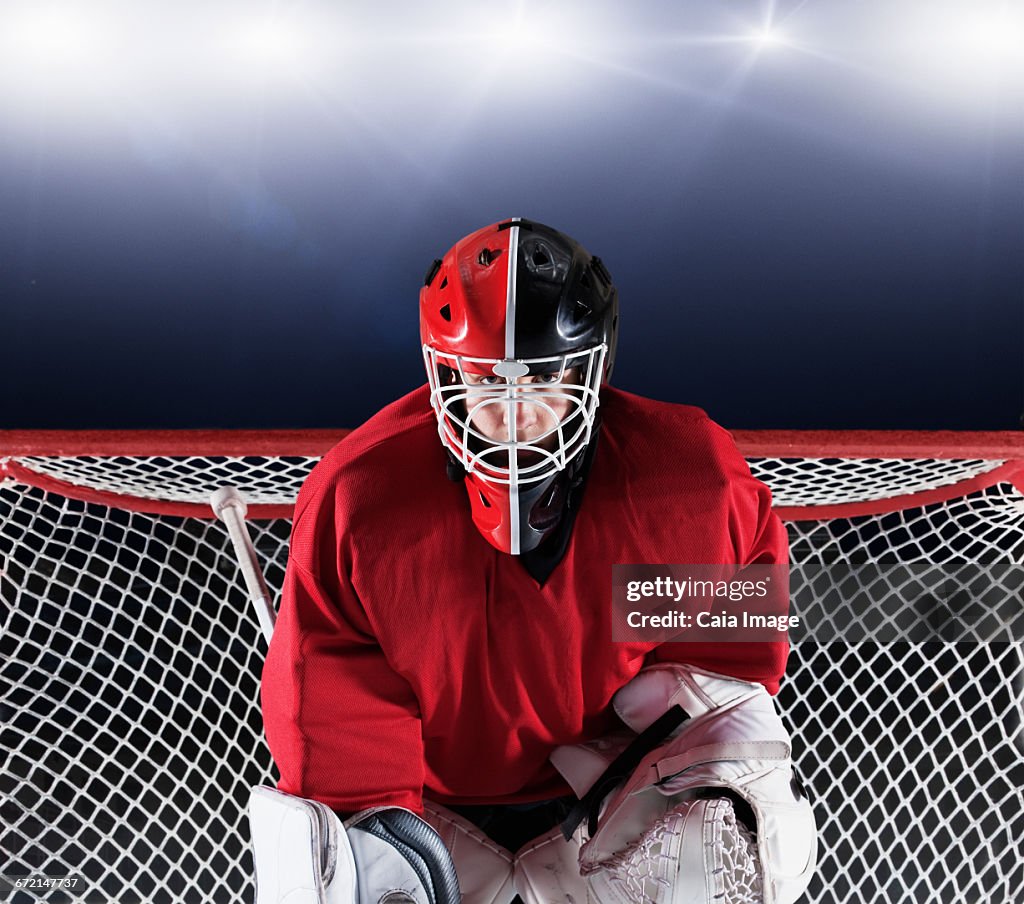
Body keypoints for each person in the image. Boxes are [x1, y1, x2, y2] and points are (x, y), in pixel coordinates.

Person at [253, 218, 816, 904]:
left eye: (542, 382)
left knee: (728, 845)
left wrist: (675, 796)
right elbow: (336, 717)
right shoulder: (362, 503)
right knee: (327, 873)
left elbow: (722, 673)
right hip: (430, 807)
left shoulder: (688, 490)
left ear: (595, 371)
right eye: (491, 387)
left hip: (607, 794)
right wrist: (382, 842)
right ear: (445, 377)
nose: (516, 415)